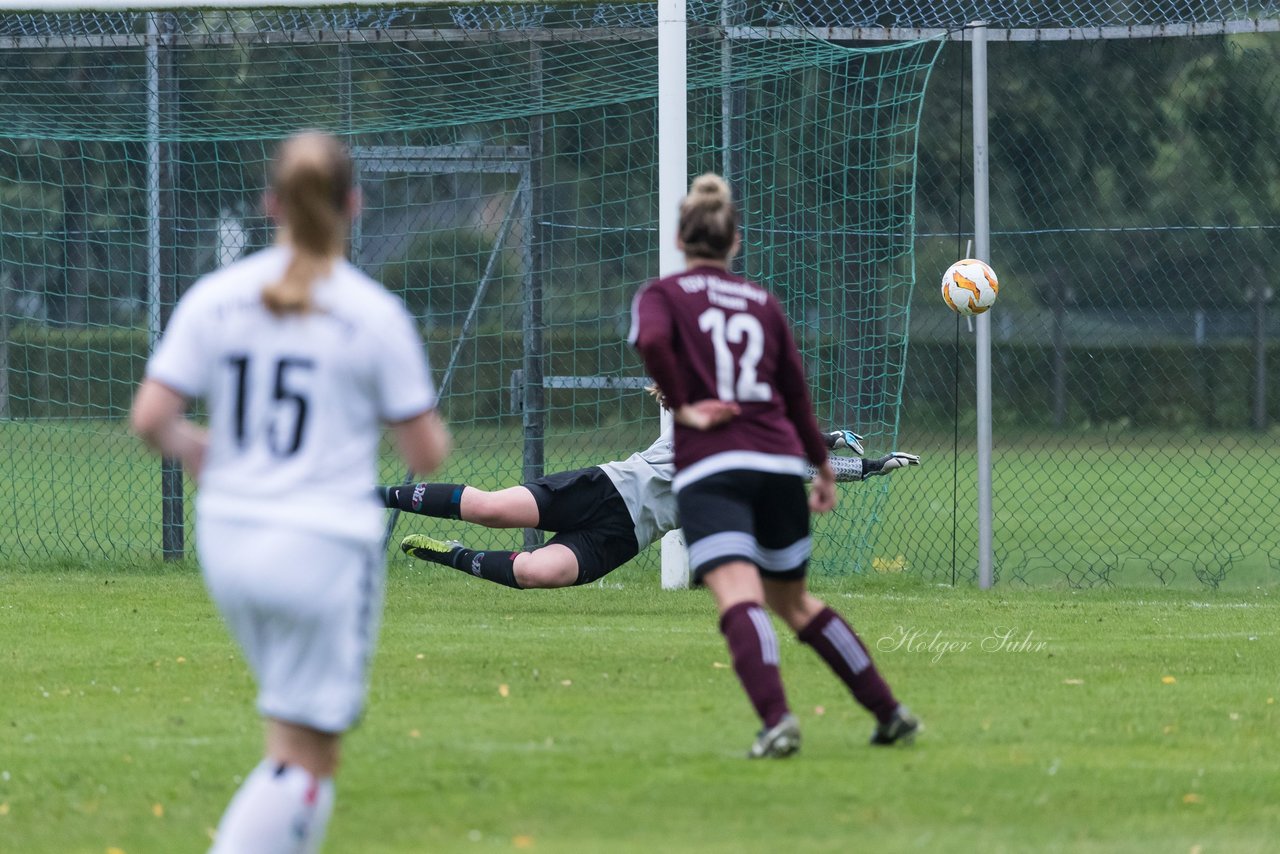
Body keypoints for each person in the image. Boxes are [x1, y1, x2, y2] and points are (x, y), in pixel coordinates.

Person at [129, 131, 450, 852]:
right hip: (322, 547)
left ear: (271, 204)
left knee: (290, 739)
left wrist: (197, 449)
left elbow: (151, 418)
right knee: (309, 755)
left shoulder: (218, 297)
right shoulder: (371, 313)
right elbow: (426, 452)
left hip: (231, 540)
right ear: (354, 206)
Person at [627, 172, 919, 758]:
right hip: (779, 465)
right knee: (795, 602)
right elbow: (795, 395)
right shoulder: (763, 303)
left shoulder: (662, 294)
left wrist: (686, 402)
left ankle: (779, 720)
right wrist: (824, 466)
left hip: (714, 467)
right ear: (735, 242)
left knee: (739, 593)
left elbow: (651, 342)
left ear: (682, 242)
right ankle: (889, 712)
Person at [394, 415, 918, 590]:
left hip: (623, 536)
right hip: (601, 488)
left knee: (537, 573)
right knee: (490, 508)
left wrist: (872, 467)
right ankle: (375, 497)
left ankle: (453, 554)